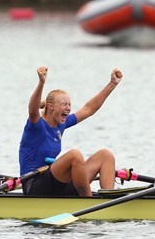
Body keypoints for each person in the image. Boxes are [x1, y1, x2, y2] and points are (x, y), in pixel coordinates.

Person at [19, 66, 122, 197]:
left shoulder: (61, 124)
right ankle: (88, 200)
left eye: (69, 104)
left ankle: (109, 200)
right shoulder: (36, 125)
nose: (68, 108)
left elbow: (88, 109)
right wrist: (41, 83)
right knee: (75, 155)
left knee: (105, 155)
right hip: (33, 186)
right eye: (64, 104)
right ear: (50, 106)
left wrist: (112, 84)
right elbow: (32, 110)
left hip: (54, 184)